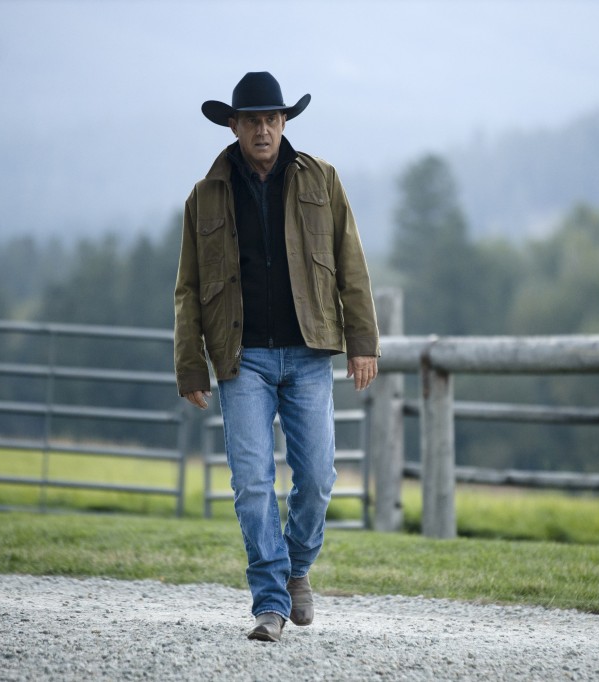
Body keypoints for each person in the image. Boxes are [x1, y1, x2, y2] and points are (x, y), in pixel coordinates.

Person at [174, 72, 380, 642]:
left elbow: (351, 264)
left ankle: (296, 567)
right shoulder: (205, 195)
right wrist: (191, 364)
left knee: (317, 477)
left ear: (285, 122)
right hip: (242, 360)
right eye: (251, 120)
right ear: (234, 126)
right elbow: (188, 288)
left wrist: (363, 342)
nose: (262, 129)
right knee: (251, 482)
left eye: (272, 118)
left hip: (309, 351)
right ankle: (269, 600)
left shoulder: (323, 179)